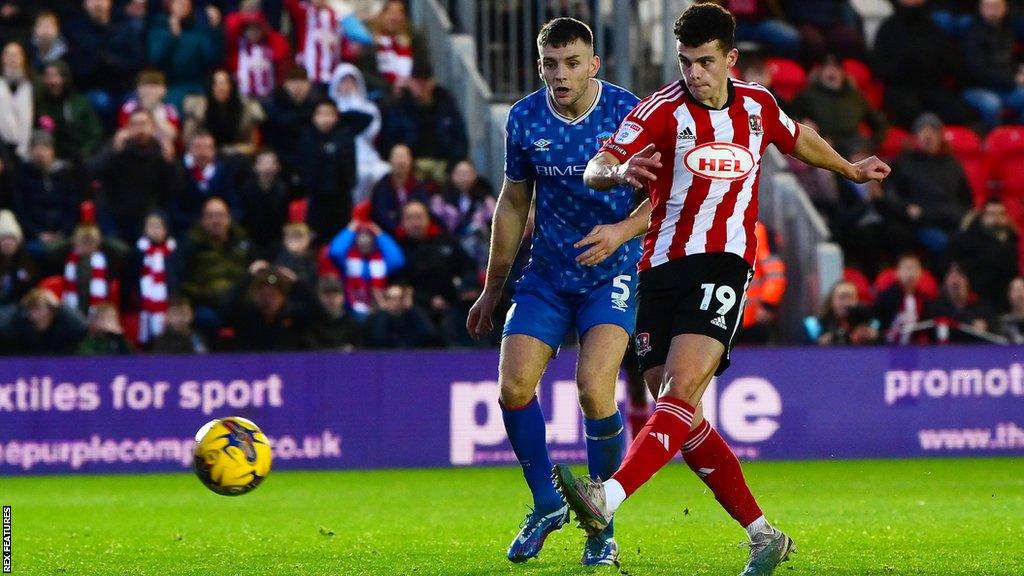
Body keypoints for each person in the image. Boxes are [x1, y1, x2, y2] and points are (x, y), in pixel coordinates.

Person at [552, 5, 890, 575]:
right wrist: (615, 172)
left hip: (725, 264)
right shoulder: (662, 109)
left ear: (730, 59)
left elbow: (796, 137)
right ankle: (764, 535)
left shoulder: (757, 106)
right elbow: (599, 163)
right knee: (679, 415)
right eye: (686, 62)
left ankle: (605, 499)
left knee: (678, 393)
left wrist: (850, 170)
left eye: (705, 62)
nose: (695, 74)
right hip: (659, 270)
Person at [464, 18, 649, 566]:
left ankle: (601, 526)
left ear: (594, 65)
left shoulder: (629, 113)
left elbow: (664, 195)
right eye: (550, 64)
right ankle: (547, 503)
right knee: (513, 386)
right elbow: (514, 202)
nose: (560, 75)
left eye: (572, 63)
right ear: (539, 64)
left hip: (611, 272)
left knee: (595, 389)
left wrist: (619, 232)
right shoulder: (524, 118)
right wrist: (491, 290)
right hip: (546, 273)